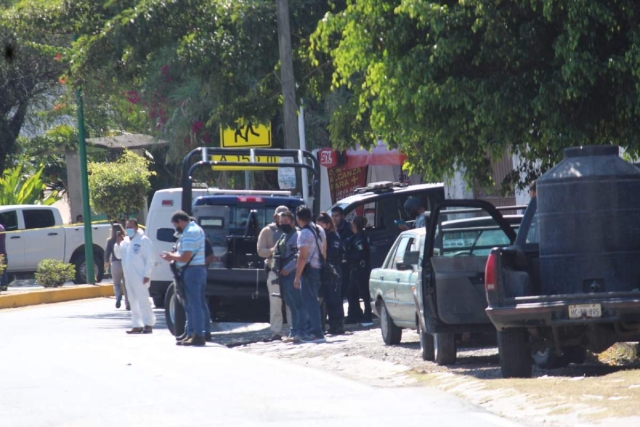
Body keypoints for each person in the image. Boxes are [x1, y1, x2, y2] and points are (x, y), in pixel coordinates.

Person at [160, 211, 207, 347]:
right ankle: (191, 333)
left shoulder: (190, 232)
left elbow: (185, 257)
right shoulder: (192, 230)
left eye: (176, 225)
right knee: (190, 304)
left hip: (192, 271)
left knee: (194, 304)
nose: (176, 228)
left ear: (180, 221)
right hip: (194, 270)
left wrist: (171, 257)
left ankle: (198, 334)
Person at [257, 205, 291, 341]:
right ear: (275, 217)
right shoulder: (267, 231)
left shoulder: (292, 231)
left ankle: (293, 329)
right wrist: (274, 250)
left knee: (290, 302)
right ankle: (276, 332)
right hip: (273, 269)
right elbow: (260, 251)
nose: (282, 219)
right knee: (275, 302)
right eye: (279, 216)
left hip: (289, 271)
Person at [115, 219, 155, 334]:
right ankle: (137, 325)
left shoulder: (144, 240)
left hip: (140, 276)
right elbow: (118, 255)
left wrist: (147, 274)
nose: (128, 229)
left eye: (131, 227)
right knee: (133, 301)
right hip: (128, 276)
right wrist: (118, 244)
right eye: (127, 227)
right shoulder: (125, 241)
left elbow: (150, 259)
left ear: (136, 228)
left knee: (143, 300)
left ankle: (148, 324)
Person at [293, 205, 326, 343]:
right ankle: (315, 330)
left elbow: (302, 257)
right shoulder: (320, 229)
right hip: (319, 268)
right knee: (314, 301)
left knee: (310, 301)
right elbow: (324, 250)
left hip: (309, 270)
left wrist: (297, 277)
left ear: (299, 218)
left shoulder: (304, 234)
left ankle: (316, 332)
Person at [175, 235, 215, 344]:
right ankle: (189, 330)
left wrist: (197, 264)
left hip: (195, 274)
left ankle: (203, 331)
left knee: (198, 303)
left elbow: (211, 256)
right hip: (185, 273)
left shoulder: (202, 240)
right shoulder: (184, 240)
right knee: (188, 303)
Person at [273, 210, 303, 343]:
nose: (283, 224)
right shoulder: (283, 236)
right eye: (281, 222)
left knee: (298, 304)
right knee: (290, 303)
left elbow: (299, 255)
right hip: (283, 274)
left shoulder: (297, 235)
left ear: (292, 222)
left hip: (292, 272)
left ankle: (300, 331)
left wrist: (288, 268)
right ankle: (293, 330)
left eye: (286, 222)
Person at [317, 213, 345, 335]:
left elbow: (334, 252)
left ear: (327, 224)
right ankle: (332, 324)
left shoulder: (333, 236)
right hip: (325, 268)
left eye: (321, 224)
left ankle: (338, 325)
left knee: (335, 298)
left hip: (333, 268)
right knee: (327, 297)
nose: (318, 227)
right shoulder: (322, 236)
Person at [345, 216, 373, 326]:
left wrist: (348, 255)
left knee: (364, 293)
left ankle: (368, 315)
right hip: (354, 269)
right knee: (351, 292)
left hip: (360, 268)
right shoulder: (355, 237)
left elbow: (361, 254)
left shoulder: (360, 239)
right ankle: (354, 315)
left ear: (355, 225)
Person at [105, 223, 130, 310]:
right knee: (126, 284)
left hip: (115, 264)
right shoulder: (126, 239)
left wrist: (106, 263)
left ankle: (118, 296)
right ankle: (128, 304)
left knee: (116, 283)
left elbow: (107, 253)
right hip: (125, 263)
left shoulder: (110, 241)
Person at [0, 222, 7, 292]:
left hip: (1, 252)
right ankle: (3, 286)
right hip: (2, 252)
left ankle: (3, 286)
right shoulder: (1, 226)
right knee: (3, 270)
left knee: (3, 271)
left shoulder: (0, 227)